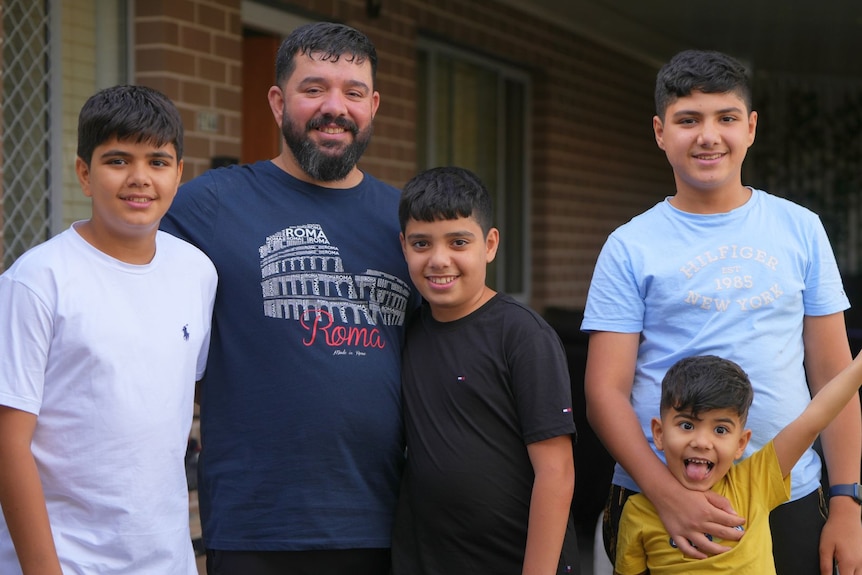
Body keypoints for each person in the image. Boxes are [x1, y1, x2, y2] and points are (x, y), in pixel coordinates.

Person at [582, 48, 862, 575]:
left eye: (726, 118)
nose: (708, 136)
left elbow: (834, 376)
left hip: (787, 495)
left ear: (750, 127)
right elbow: (604, 392)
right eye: (688, 120)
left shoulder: (800, 229)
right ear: (661, 132)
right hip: (656, 497)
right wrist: (666, 494)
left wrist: (847, 500)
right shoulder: (629, 245)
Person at [160, 21, 418, 575]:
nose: (335, 107)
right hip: (255, 520)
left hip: (384, 519)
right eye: (313, 88)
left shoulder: (409, 224)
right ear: (278, 101)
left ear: (373, 105)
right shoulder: (204, 208)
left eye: (352, 92)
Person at [0, 85, 217, 574]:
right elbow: (8, 443)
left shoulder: (197, 271)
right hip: (67, 559)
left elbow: (182, 389)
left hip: (165, 558)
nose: (139, 178)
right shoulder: (37, 281)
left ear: (179, 174)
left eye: (158, 162)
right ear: (84, 173)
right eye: (118, 160)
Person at [391, 166, 580, 575]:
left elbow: (556, 472)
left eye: (459, 241)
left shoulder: (522, 335)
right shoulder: (406, 332)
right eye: (421, 243)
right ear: (403, 246)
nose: (439, 260)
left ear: (490, 244)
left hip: (515, 561)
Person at [615, 353, 862, 574]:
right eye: (687, 425)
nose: (702, 442)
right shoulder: (637, 512)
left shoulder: (756, 481)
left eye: (720, 429)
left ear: (741, 444)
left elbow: (813, 420)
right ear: (658, 433)